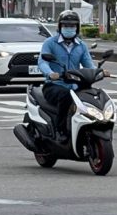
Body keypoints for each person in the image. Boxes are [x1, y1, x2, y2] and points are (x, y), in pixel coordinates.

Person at [37, 10, 103, 140]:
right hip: (54, 85)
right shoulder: (50, 43)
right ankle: (60, 131)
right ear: (60, 27)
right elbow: (42, 62)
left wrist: (98, 72)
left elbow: (88, 64)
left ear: (77, 27)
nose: (69, 28)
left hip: (75, 85)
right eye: (66, 26)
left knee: (93, 95)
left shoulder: (81, 46)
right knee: (66, 97)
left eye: (72, 26)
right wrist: (50, 73)